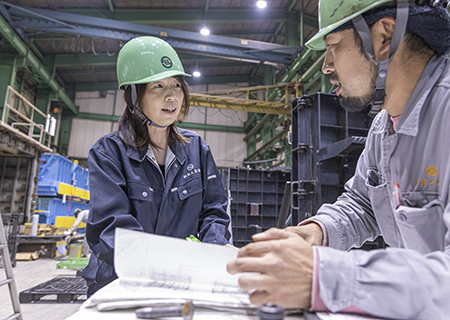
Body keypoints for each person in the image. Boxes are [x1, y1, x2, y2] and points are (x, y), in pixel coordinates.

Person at [227, 1, 450, 319]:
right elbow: (364, 204)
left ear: (383, 37)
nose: (325, 67)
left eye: (332, 47)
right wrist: (319, 230)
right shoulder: (383, 127)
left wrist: (325, 279)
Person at [82, 36, 231, 296]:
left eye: (176, 84)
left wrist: (214, 252)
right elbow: (111, 230)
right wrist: (163, 265)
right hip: (122, 283)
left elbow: (214, 212)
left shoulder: (197, 148)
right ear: (133, 95)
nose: (172, 95)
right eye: (158, 86)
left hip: (183, 280)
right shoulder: (108, 153)